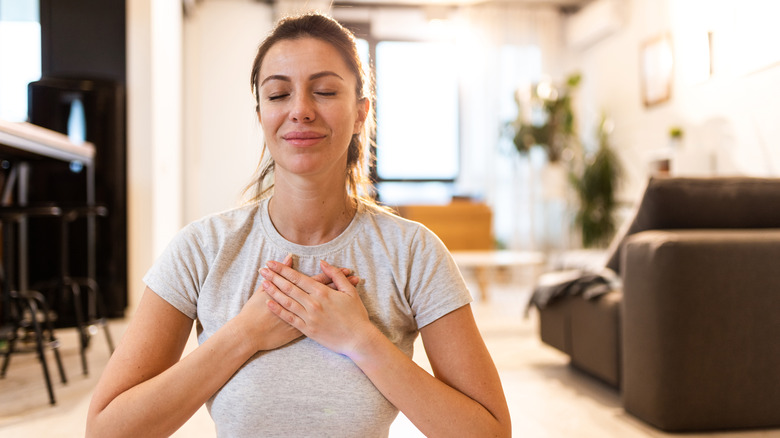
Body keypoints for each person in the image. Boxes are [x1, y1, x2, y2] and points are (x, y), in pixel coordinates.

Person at [87, 12, 511, 438]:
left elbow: (490, 433)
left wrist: (361, 342)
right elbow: (105, 431)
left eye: (324, 91)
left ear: (361, 112)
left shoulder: (414, 252)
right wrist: (245, 335)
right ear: (260, 114)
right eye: (277, 95)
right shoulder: (202, 248)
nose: (301, 111)